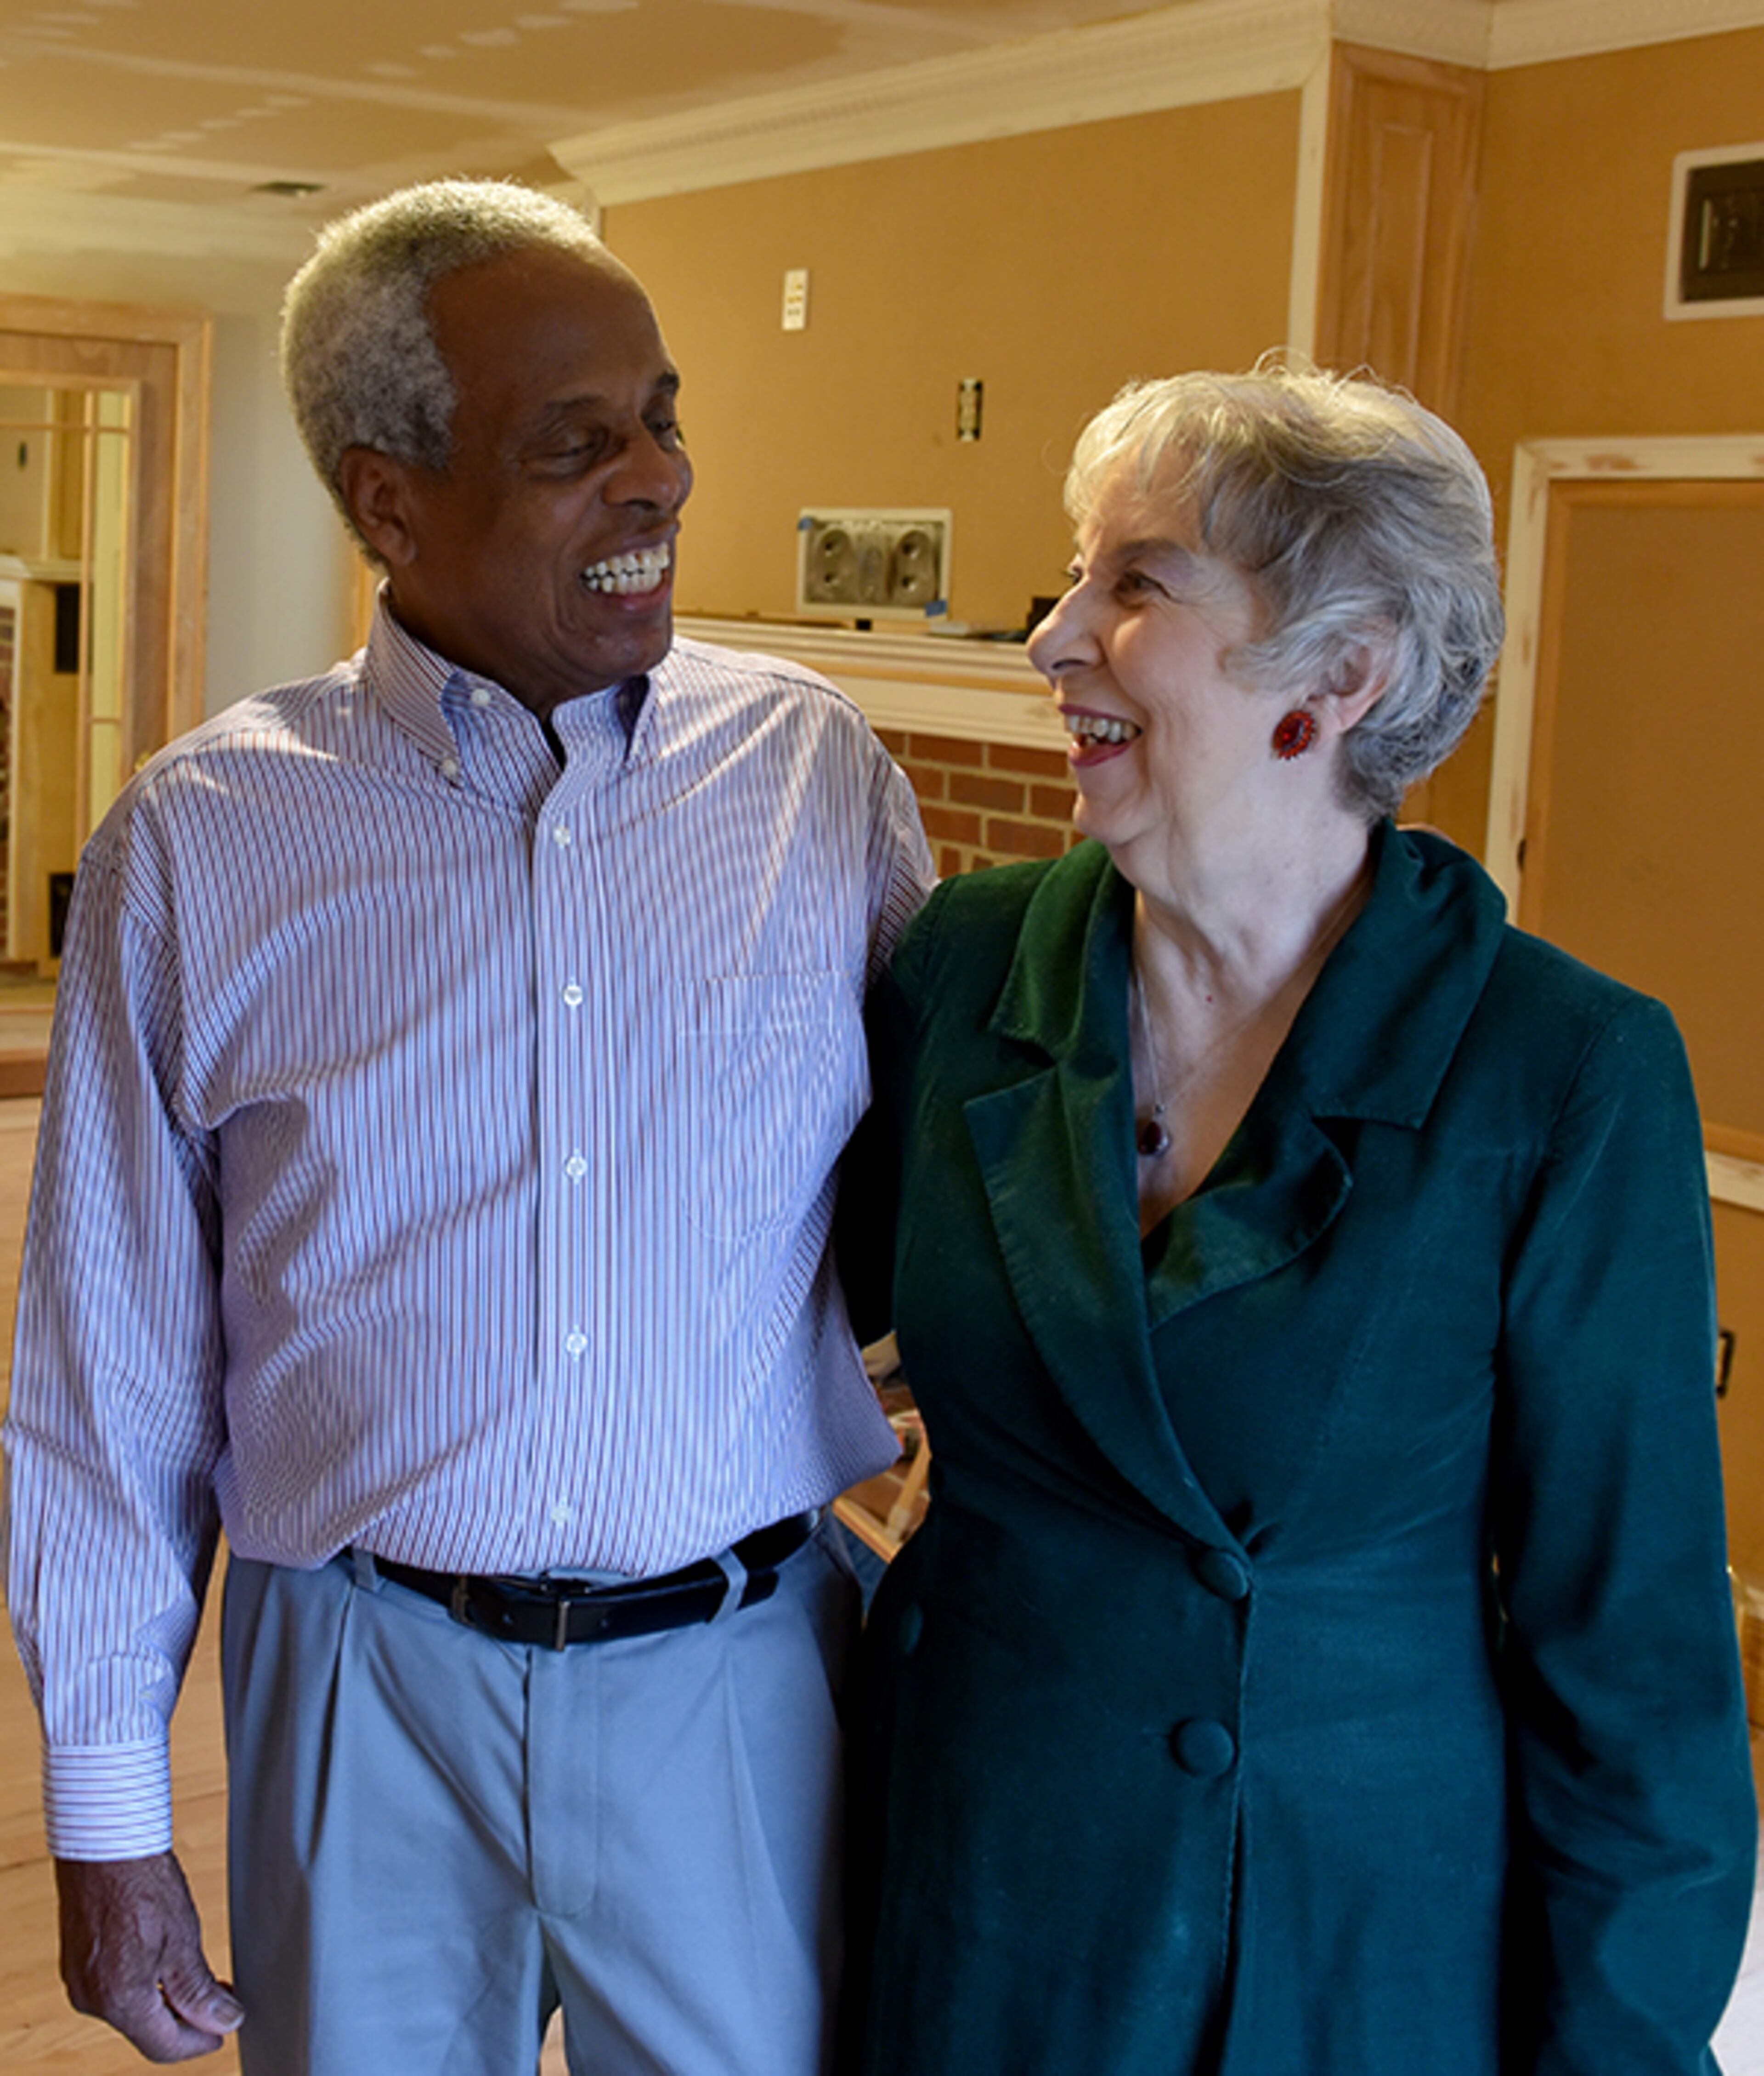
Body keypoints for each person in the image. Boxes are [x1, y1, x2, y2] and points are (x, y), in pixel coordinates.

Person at [3, 178, 932, 2075]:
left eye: (665, 416)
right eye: (573, 444)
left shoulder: (813, 777)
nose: (660, 479)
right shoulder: (200, 842)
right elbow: (107, 1372)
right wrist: (106, 1813)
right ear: (390, 500)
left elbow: (947, 1196)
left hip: (746, 1682)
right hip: (357, 1687)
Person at [843, 362, 1756, 2075]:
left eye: (1135, 585)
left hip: (1345, 1922)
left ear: (1337, 678)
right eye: (1072, 573)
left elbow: (1632, 1661)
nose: (1050, 639)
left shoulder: (1560, 1069)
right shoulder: (964, 967)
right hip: (981, 1873)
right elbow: (783, 1316)